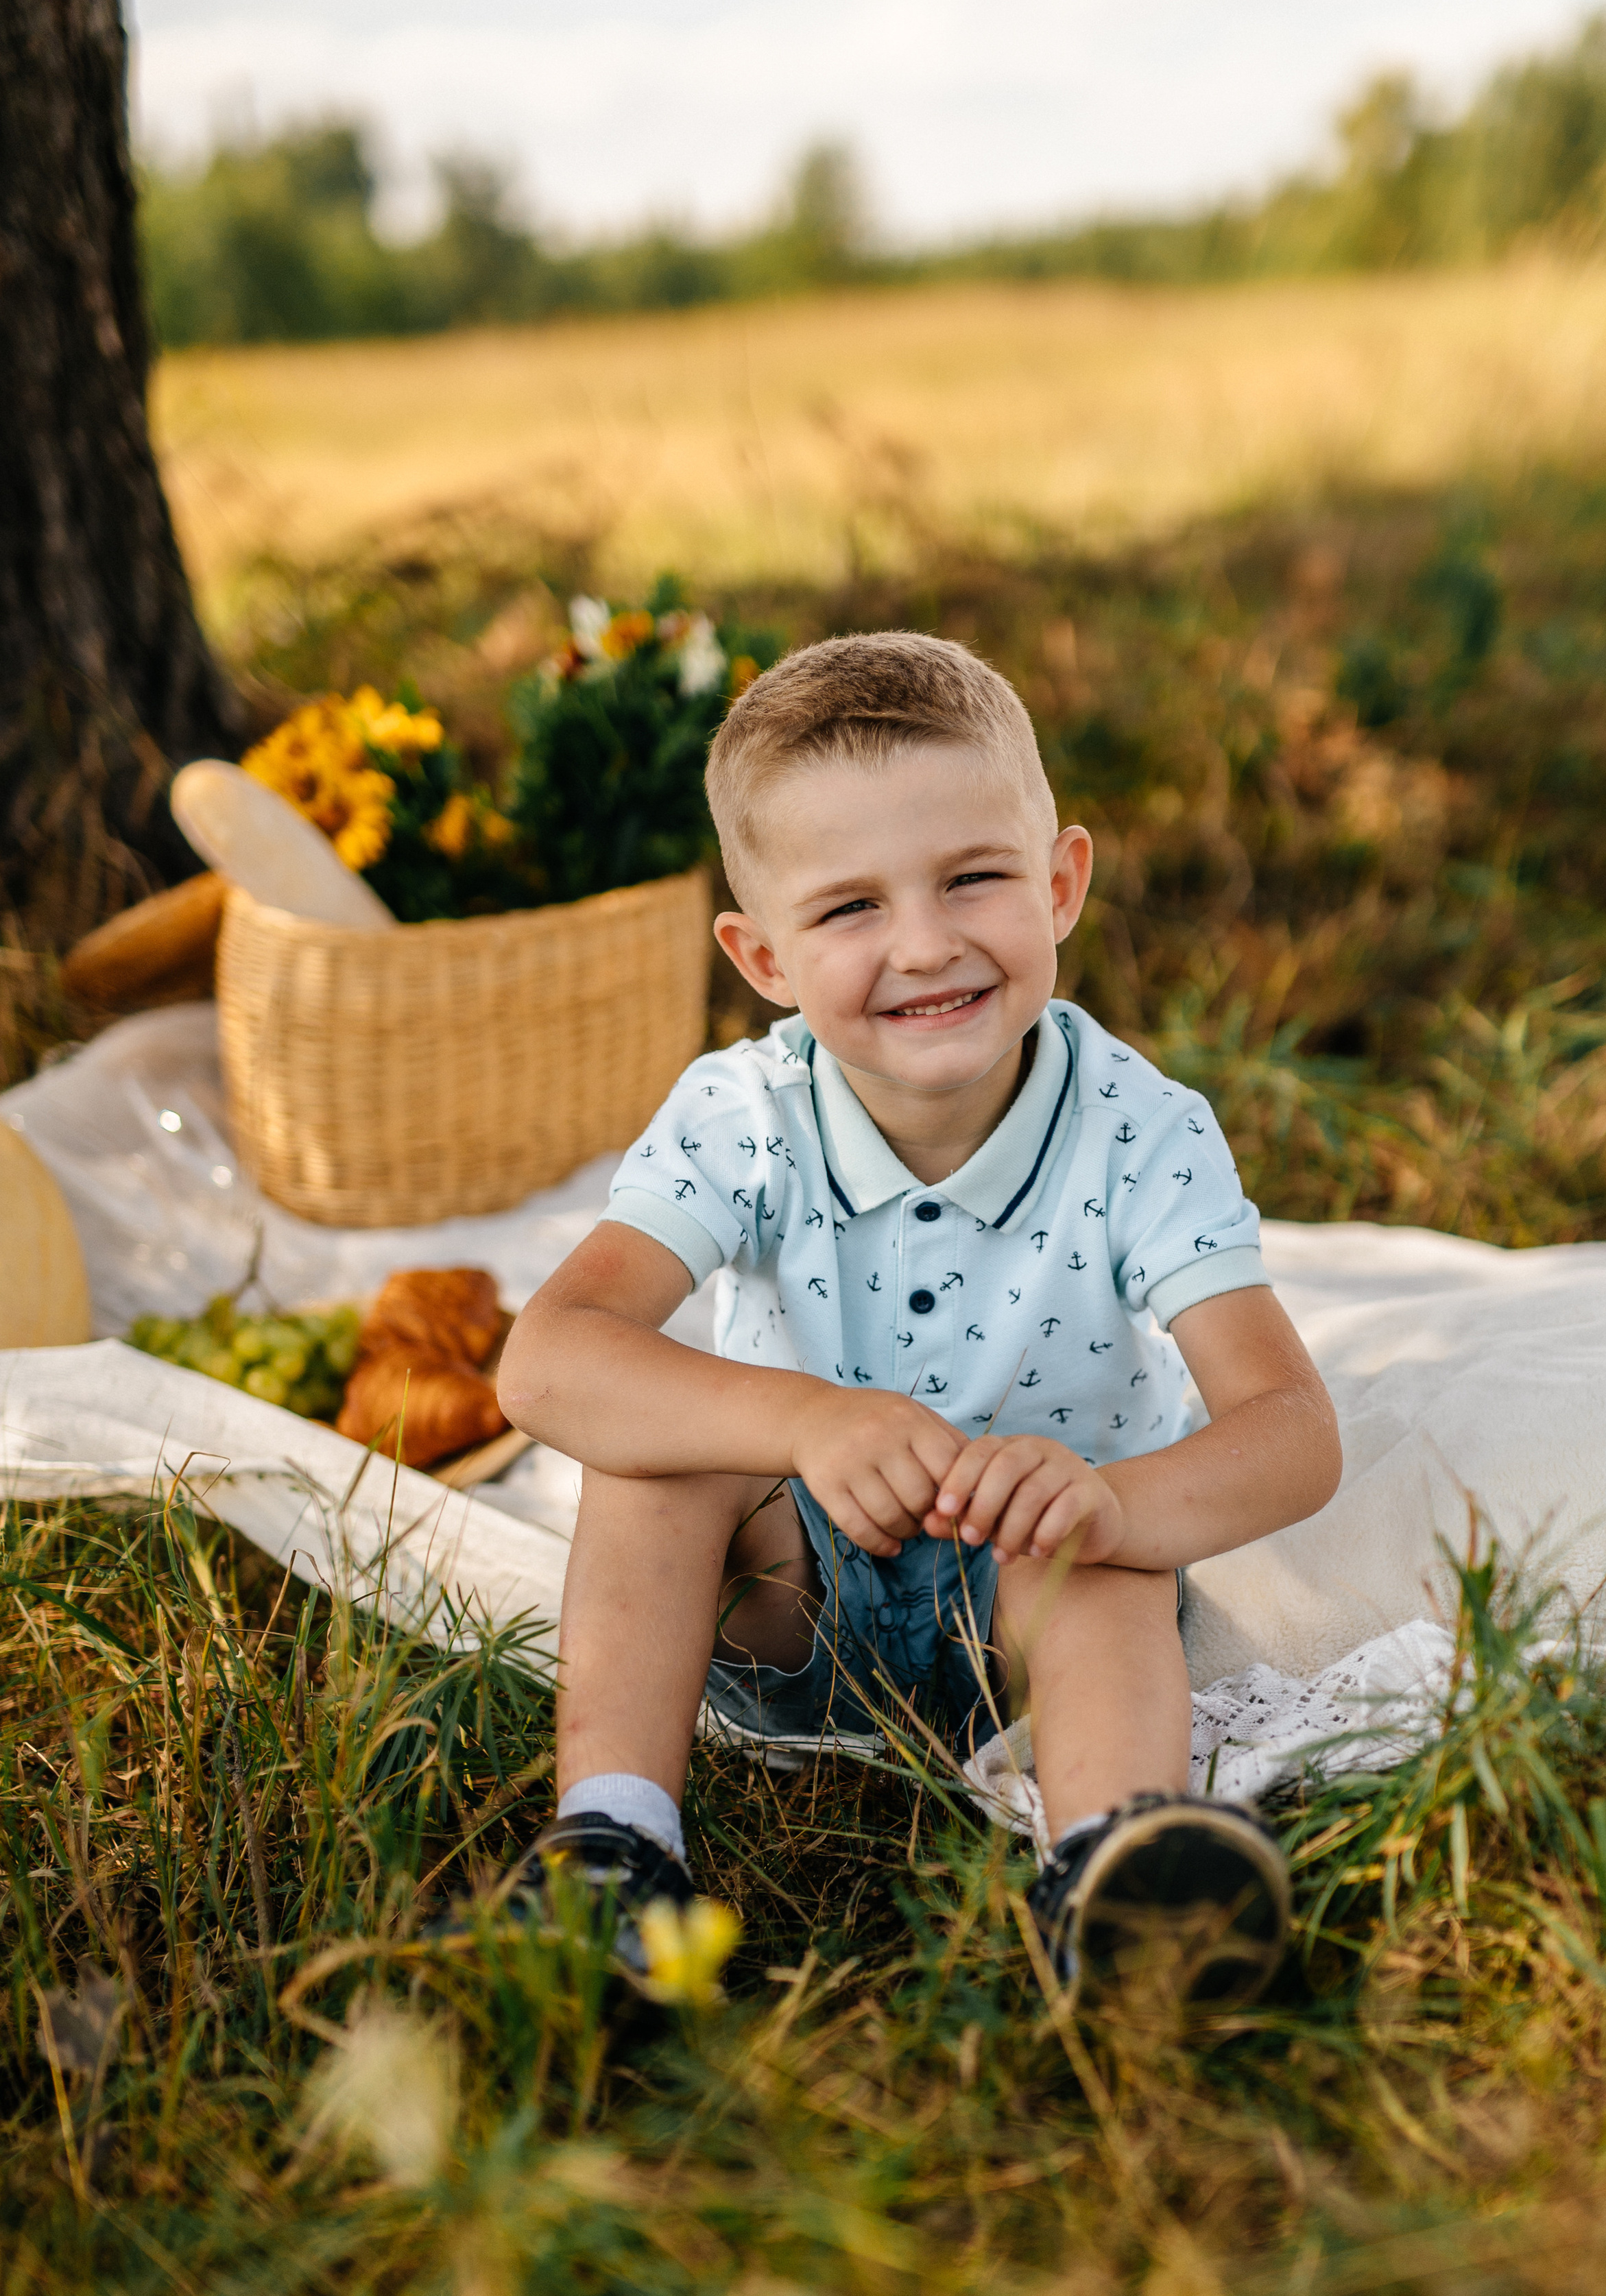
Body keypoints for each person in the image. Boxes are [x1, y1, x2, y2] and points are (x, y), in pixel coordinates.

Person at [490, 633, 1341, 2005]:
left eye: (972, 878)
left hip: (1034, 1614)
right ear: (760, 955)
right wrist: (807, 1419)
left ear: (1059, 882)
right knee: (655, 1454)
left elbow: (1289, 1430)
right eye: (848, 911)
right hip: (792, 1600)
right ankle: (613, 1849)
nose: (926, 944)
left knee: (1096, 1560)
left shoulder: (1137, 1130)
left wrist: (1114, 1504)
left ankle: (1114, 1865)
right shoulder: (740, 1118)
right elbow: (547, 1359)